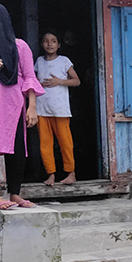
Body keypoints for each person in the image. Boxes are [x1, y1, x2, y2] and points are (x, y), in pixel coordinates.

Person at [0, 3, 44, 209]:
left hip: (13, 107)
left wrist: (32, 107)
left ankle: (15, 193)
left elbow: (30, 77)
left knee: (17, 150)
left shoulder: (20, 46)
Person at [35, 30, 80, 185]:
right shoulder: (39, 61)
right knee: (45, 144)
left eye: (53, 41)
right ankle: (51, 175)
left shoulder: (64, 61)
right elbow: (33, 80)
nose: (50, 44)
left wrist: (59, 82)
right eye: (46, 41)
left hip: (60, 110)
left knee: (65, 142)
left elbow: (76, 81)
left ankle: (70, 173)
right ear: (42, 44)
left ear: (59, 45)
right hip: (41, 109)